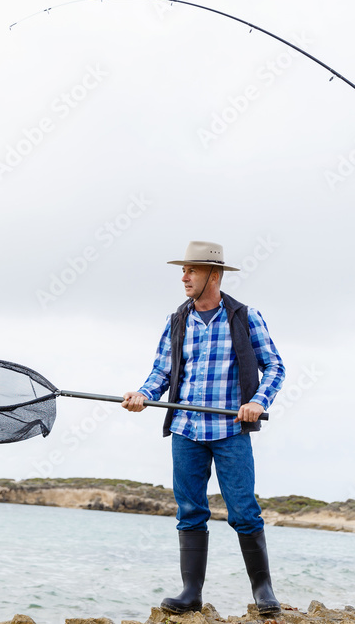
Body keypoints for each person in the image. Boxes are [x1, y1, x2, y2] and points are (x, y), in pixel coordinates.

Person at [122, 240, 286, 615]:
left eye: (191, 270)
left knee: (244, 511)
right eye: (183, 270)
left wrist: (258, 402)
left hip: (230, 432)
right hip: (186, 430)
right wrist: (143, 394)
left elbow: (275, 366)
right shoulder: (177, 320)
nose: (184, 277)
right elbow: (161, 372)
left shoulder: (245, 317)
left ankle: (263, 591)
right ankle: (190, 592)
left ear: (214, 274)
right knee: (190, 511)